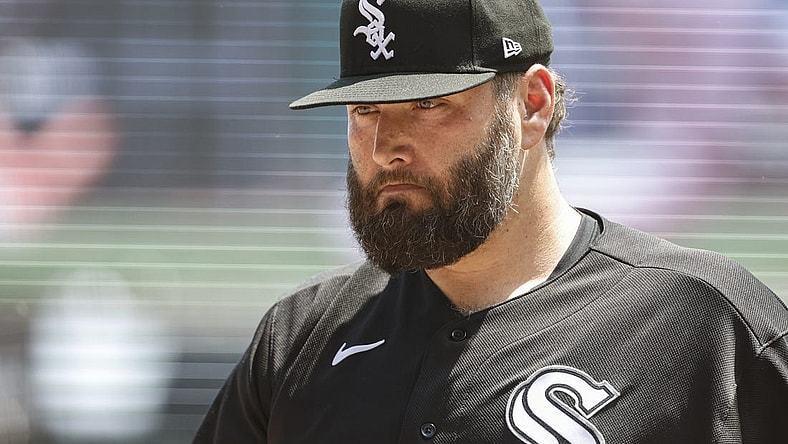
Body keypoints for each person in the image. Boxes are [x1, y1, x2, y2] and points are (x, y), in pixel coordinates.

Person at [195, 0, 788, 442]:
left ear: (532, 104)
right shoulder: (299, 337)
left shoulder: (705, 316)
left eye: (430, 104)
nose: (384, 148)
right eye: (364, 109)